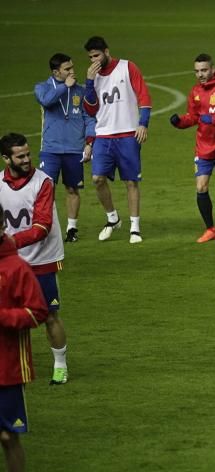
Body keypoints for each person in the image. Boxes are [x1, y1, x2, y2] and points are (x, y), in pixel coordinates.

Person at [0, 133, 70, 385]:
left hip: (43, 260)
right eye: (21, 156)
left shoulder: (43, 183)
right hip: (9, 262)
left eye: (28, 154)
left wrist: (9, 243)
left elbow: (42, 227)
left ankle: (60, 365)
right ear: (7, 159)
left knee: (50, 314)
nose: (28, 159)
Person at [82, 36, 151, 243]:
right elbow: (91, 108)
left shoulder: (127, 67)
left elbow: (144, 97)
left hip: (128, 133)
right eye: (90, 57)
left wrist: (143, 123)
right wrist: (88, 82)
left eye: (97, 55)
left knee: (131, 181)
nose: (94, 60)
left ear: (107, 51)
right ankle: (113, 218)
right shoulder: (93, 77)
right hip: (103, 135)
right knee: (97, 179)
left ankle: (135, 228)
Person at [0, 231, 48, 472]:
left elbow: (38, 312)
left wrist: (3, 317)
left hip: (7, 367)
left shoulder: (16, 268)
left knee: (7, 436)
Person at [169, 54, 215, 243]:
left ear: (212, 69)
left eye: (203, 70)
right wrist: (180, 122)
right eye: (197, 71)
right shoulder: (195, 91)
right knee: (201, 186)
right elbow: (193, 117)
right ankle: (210, 228)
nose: (200, 75)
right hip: (204, 148)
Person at [34, 53, 96, 243]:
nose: (72, 71)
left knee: (72, 189)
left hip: (74, 149)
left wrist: (89, 142)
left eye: (72, 67)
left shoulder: (80, 91)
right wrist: (64, 87)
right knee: (46, 191)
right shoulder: (42, 87)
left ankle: (71, 229)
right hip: (50, 150)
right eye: (67, 69)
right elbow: (46, 101)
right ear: (56, 72)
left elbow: (89, 118)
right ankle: (46, 229)